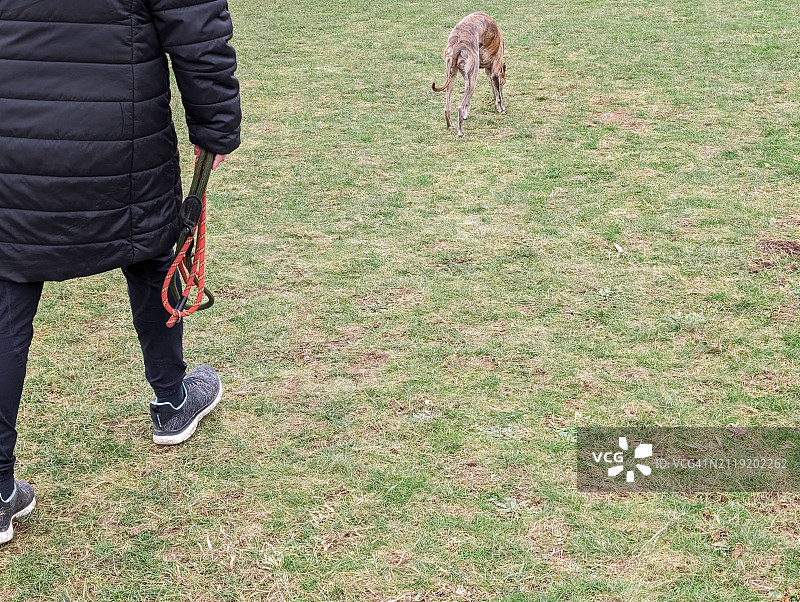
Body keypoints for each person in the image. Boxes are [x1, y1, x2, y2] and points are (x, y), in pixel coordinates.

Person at [0, 0, 242, 543]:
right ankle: (173, 401)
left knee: (7, 288)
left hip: (13, 139)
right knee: (155, 251)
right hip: (120, 135)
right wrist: (217, 127)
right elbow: (197, 30)